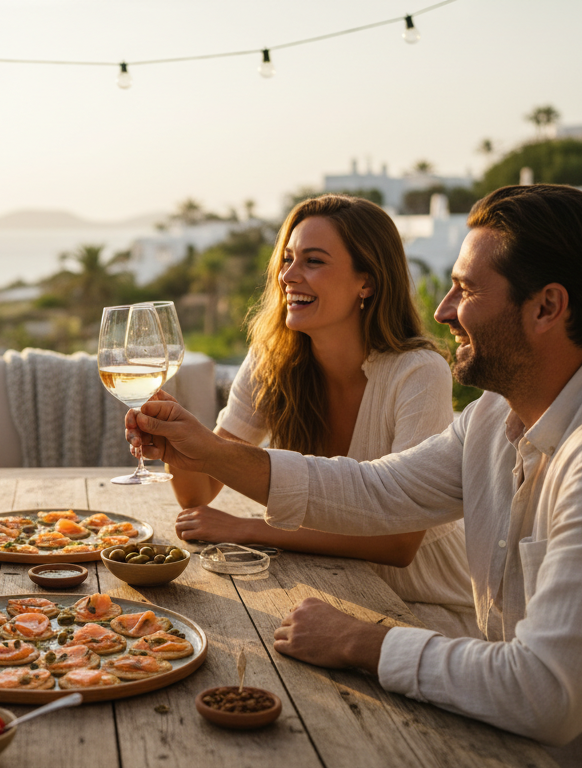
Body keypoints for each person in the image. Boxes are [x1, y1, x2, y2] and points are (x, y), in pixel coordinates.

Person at [126, 184, 582, 766]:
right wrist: (203, 447)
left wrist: (361, 641)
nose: (442, 311)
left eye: (464, 290)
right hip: (498, 738)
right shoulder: (496, 416)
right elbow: (375, 490)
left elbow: (543, 693)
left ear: (546, 307)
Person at [168, 194, 480, 638]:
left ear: (366, 282)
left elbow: (398, 543)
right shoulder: (272, 360)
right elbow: (199, 492)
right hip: (334, 590)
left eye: (313, 261)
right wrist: (171, 437)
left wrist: (251, 529)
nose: (288, 276)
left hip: (430, 609)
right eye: (289, 259)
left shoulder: (418, 372)